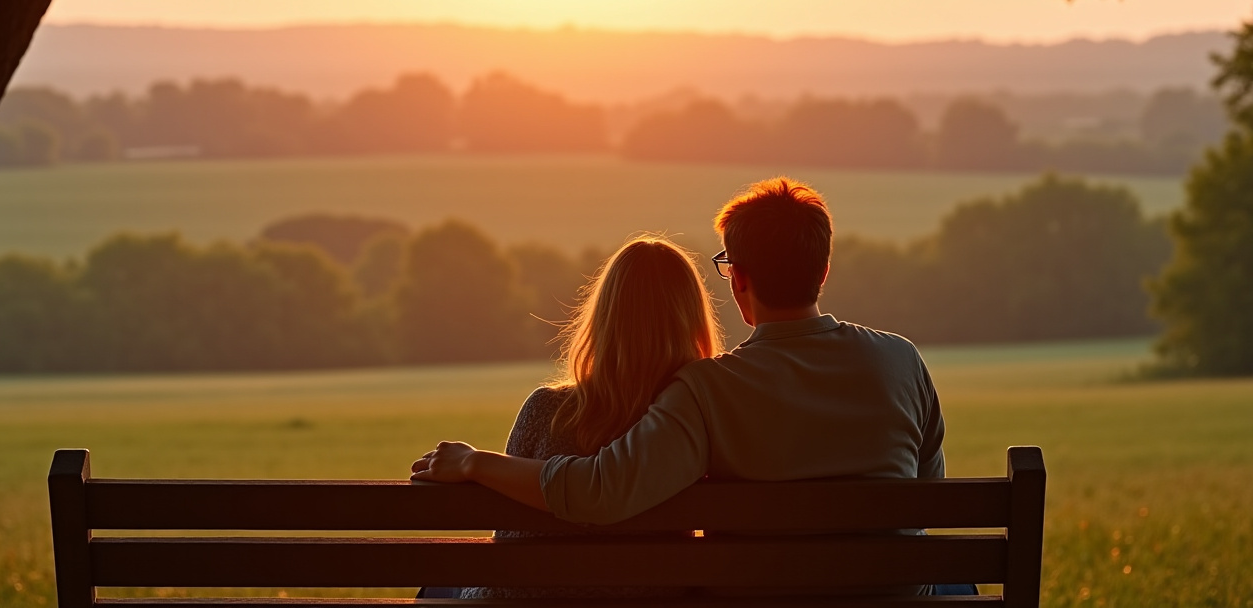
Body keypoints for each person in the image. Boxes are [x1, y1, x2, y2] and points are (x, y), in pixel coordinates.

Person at [412, 177, 962, 596]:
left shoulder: (708, 389)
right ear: (822, 271)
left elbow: (602, 489)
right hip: (894, 595)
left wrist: (475, 463)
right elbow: (926, 498)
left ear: (739, 278)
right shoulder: (902, 361)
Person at [432, 235, 723, 600]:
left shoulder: (546, 411)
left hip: (525, 602)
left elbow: (505, 540)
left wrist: (473, 462)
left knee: (437, 587)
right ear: (692, 321)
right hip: (648, 599)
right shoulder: (692, 425)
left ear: (604, 317)